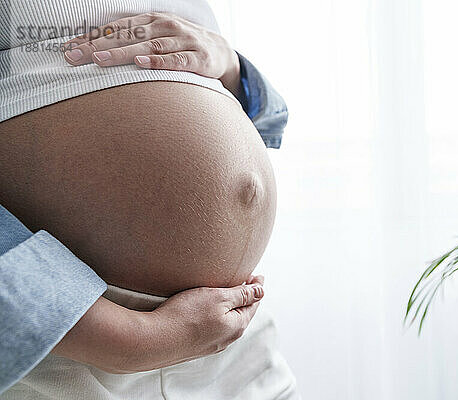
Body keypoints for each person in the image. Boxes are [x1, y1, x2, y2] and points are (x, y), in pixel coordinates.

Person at [0, 2, 297, 399]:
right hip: (72, 341)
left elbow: (268, 117)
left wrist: (229, 64)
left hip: (230, 335)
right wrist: (130, 338)